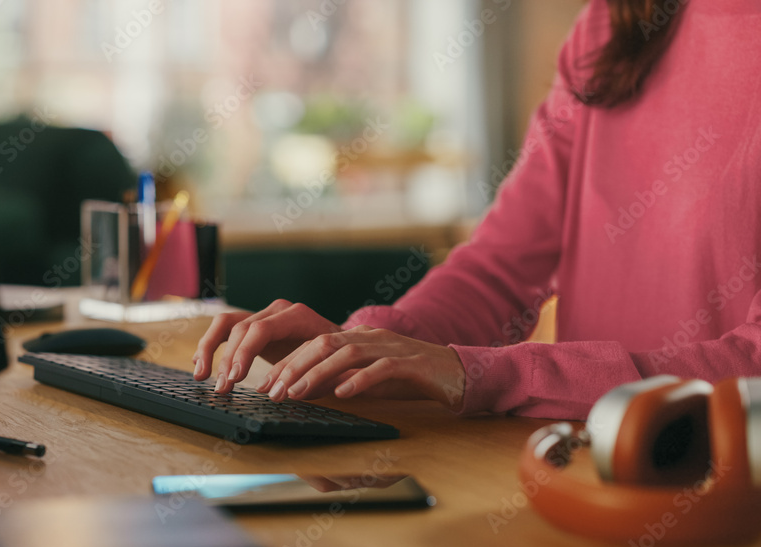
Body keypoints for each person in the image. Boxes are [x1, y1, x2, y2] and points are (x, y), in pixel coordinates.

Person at [192, 0, 761, 420]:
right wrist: (357, 350)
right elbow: (498, 268)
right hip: (579, 477)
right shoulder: (614, 24)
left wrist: (482, 374)